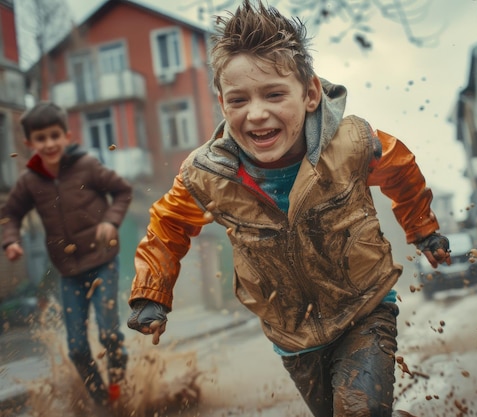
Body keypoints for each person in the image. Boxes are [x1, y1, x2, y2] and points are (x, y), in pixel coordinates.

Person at [127, 1, 450, 416]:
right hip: (293, 335)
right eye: (239, 100)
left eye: (274, 94)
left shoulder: (351, 143)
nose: (257, 114)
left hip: (364, 309)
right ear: (223, 105)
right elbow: (167, 227)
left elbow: (401, 171)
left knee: (358, 411)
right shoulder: (207, 174)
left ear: (311, 94)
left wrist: (423, 230)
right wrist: (152, 293)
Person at [1, 101, 132, 407]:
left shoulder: (87, 165)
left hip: (103, 263)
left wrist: (111, 222)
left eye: (54, 136)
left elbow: (123, 190)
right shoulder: (29, 181)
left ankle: (117, 382)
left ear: (67, 136)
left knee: (109, 333)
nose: (48, 144)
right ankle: (101, 401)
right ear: (29, 143)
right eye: (41, 138)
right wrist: (10, 241)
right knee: (76, 348)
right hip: (69, 273)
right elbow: (11, 214)